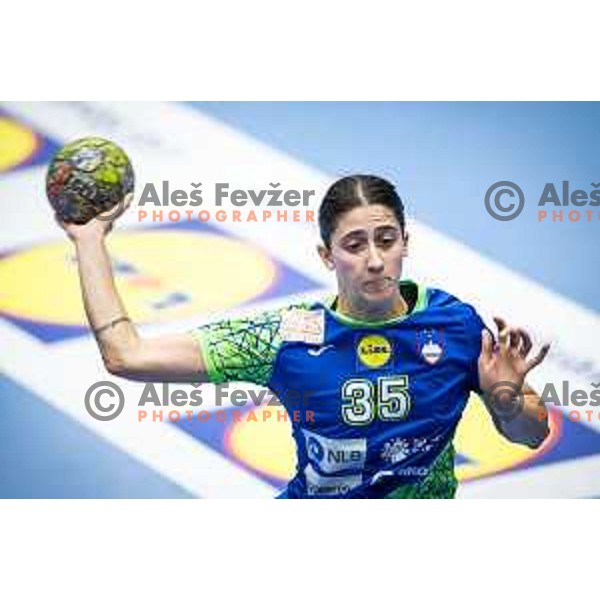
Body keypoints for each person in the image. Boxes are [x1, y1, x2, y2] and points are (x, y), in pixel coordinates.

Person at [57, 174, 550, 498]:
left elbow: (532, 435)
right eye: (354, 245)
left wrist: (506, 400)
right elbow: (127, 356)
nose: (375, 260)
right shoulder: (286, 337)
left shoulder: (456, 325)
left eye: (386, 240)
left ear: (405, 242)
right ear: (326, 256)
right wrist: (90, 240)